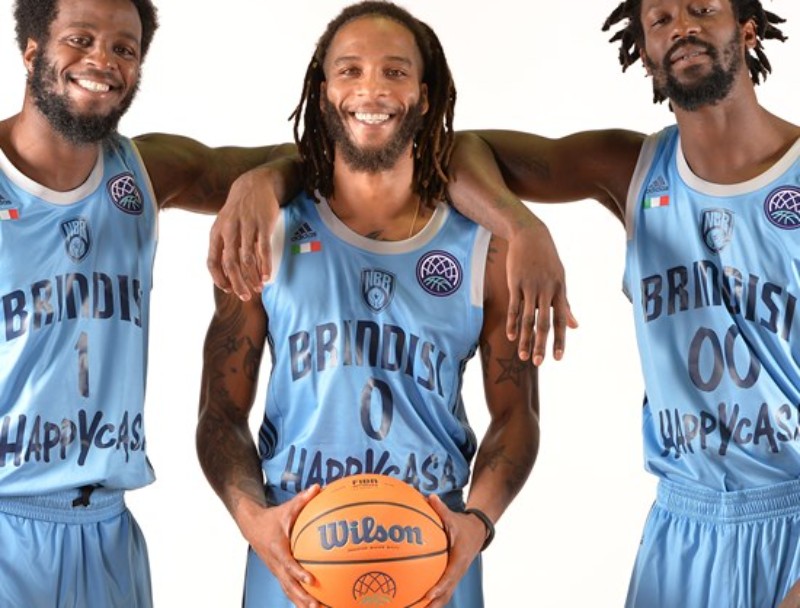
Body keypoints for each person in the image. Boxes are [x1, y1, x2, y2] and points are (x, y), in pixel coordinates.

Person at [444, 0, 800, 606]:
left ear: (747, 29)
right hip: (682, 528)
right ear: (645, 53)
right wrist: (522, 227)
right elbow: (454, 151)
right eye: (660, 19)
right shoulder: (631, 169)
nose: (681, 27)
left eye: (702, 8)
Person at [196, 2, 538, 607]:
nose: (372, 89)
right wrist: (253, 518)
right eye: (350, 70)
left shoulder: (484, 249)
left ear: (424, 97)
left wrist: (477, 523)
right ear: (323, 92)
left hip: (433, 546)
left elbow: (518, 415)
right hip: (294, 545)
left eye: (395, 72)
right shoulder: (263, 232)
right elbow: (219, 412)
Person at [0, 0, 302, 605]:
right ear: (31, 51)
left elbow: (318, 163)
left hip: (106, 529)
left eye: (124, 48)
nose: (103, 60)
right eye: (80, 39)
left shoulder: (144, 170)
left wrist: (263, 181)